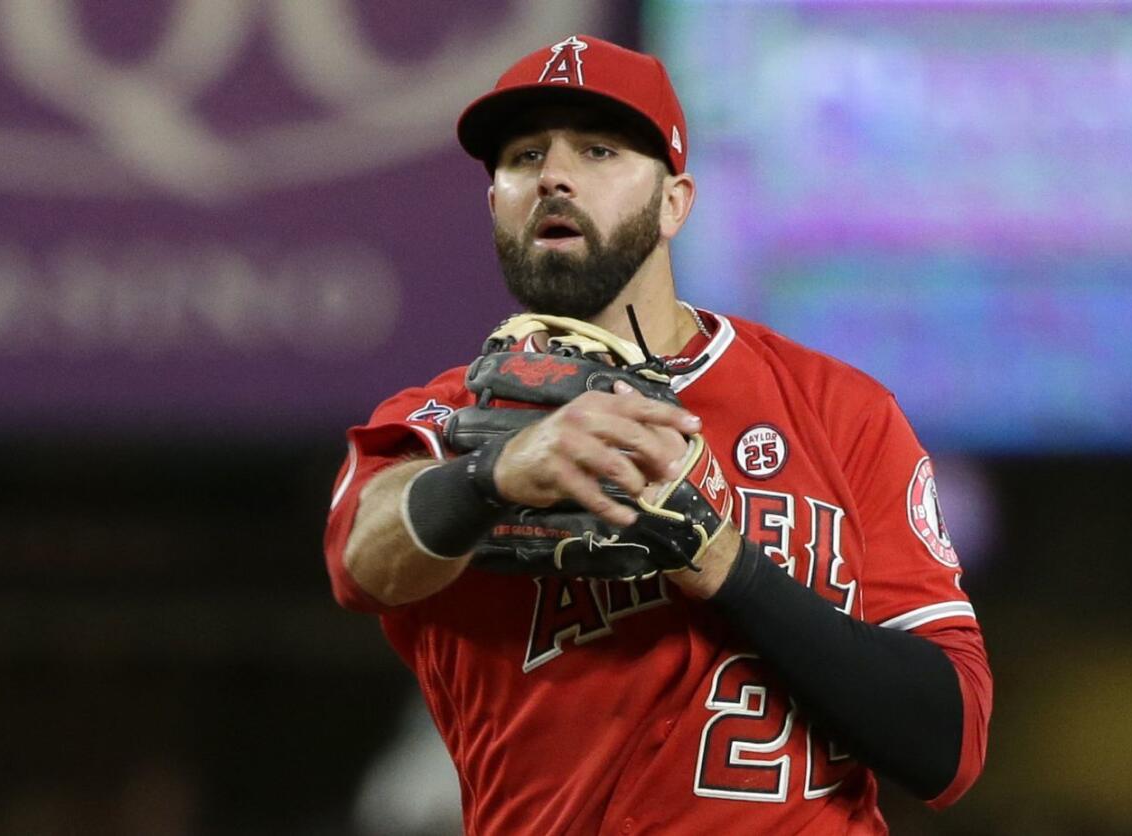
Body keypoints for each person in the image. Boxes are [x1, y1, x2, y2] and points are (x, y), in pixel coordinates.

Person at [324, 35, 991, 834]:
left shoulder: (837, 410)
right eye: (524, 156)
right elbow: (362, 559)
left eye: (599, 150)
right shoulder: (450, 418)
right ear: (494, 201)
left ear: (676, 202)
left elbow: (947, 744)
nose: (554, 176)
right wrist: (488, 478)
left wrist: (726, 566)